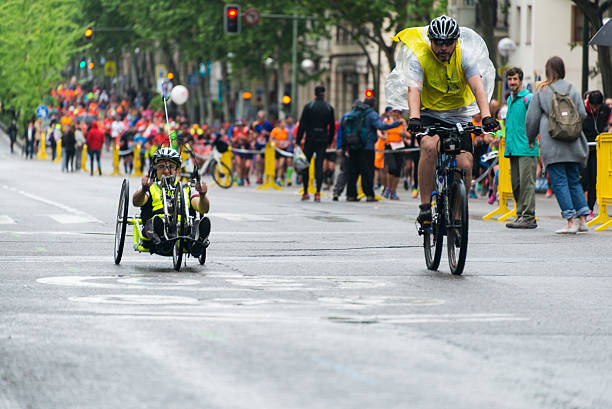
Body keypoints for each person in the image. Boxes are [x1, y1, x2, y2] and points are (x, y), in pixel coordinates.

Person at [386, 15, 498, 226]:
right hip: (429, 113)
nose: (443, 47)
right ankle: (425, 207)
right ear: (431, 41)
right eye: (438, 42)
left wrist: (486, 116)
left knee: (465, 163)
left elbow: (478, 87)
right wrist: (415, 117)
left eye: (448, 42)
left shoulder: (465, 56)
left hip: (459, 114)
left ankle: (457, 216)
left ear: (456, 41)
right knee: (429, 146)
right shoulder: (419, 58)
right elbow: (414, 90)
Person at [525, 56, 590, 234]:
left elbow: (532, 118)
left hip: (552, 143)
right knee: (574, 180)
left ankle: (570, 221)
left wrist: (531, 138)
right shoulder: (573, 89)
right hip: (573, 143)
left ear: (548, 70)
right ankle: (583, 219)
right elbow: (583, 114)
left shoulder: (543, 90)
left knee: (560, 182)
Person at [132, 147, 211, 257]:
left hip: (185, 231)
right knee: (155, 222)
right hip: (156, 232)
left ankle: (197, 243)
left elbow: (203, 209)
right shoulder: (149, 187)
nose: (166, 171)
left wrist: (202, 196)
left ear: (178, 170)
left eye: (171, 167)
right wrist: (144, 189)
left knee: (198, 224)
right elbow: (137, 202)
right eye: (161, 167)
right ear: (155, 170)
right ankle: (163, 240)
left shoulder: (187, 188)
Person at [345, 97, 400, 202]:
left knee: (353, 171)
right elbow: (380, 126)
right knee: (367, 171)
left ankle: (351, 194)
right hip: (367, 146)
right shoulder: (371, 114)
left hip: (353, 145)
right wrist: (396, 124)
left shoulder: (355, 111)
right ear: (373, 105)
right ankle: (369, 194)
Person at [504, 67, 538, 229]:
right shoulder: (510, 99)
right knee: (516, 184)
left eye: (515, 79)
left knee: (527, 184)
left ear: (521, 80)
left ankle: (529, 216)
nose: (512, 82)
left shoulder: (529, 98)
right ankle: (520, 214)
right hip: (513, 149)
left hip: (526, 148)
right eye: (510, 79)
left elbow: (536, 121)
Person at [296, 85, 335, 202]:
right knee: (319, 166)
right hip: (322, 139)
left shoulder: (309, 106)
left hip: (310, 138)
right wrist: (329, 140)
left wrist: (298, 140)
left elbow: (302, 125)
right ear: (324, 94)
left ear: (315, 94)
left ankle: (305, 191)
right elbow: (332, 127)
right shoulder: (329, 108)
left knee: (305, 165)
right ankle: (318, 192)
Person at [581, 90, 609, 218]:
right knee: (583, 178)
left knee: (594, 179)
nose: (596, 109)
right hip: (584, 148)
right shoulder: (582, 109)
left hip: (598, 149)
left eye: (598, 107)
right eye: (594, 107)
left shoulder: (605, 110)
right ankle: (580, 206)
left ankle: (590, 208)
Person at [333, 99, 361, 201]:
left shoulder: (346, 116)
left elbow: (340, 133)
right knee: (355, 171)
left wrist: (339, 146)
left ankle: (337, 191)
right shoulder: (360, 117)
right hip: (357, 148)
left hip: (346, 148)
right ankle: (353, 193)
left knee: (344, 171)